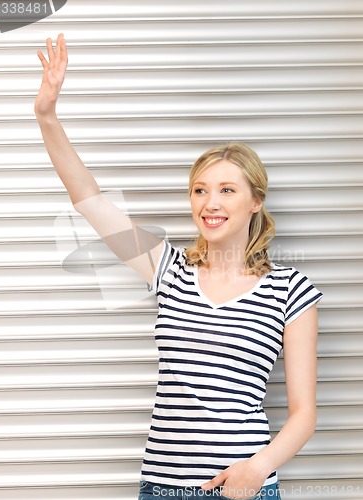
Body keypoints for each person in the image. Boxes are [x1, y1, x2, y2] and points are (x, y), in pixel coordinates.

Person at [35, 34, 323, 500]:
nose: (211, 202)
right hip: (161, 488)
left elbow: (304, 413)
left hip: (244, 489)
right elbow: (86, 197)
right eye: (200, 190)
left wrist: (259, 468)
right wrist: (46, 115)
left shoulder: (291, 289)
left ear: (256, 201)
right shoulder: (167, 268)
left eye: (228, 190)